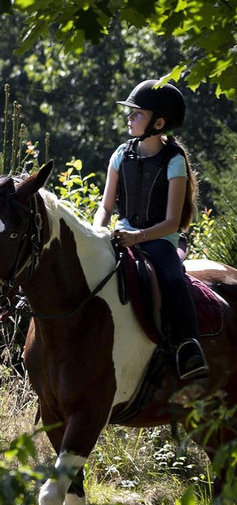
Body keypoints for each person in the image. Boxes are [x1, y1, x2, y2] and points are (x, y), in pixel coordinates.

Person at [93, 79, 207, 382]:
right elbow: (105, 207)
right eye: (130, 113)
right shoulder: (120, 154)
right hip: (121, 234)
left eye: (137, 113)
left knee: (171, 279)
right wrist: (96, 233)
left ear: (158, 122)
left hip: (159, 239)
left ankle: (188, 346)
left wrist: (138, 237)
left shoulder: (174, 160)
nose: (129, 118)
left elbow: (172, 222)